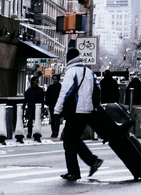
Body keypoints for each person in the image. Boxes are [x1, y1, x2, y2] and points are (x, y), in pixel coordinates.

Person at [54, 46, 103, 182]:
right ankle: (92, 161)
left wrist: (57, 111)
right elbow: (98, 90)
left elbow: (65, 94)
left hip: (75, 112)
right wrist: (94, 107)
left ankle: (75, 171)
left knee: (69, 141)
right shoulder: (89, 72)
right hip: (87, 112)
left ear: (69, 58)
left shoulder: (71, 72)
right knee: (73, 139)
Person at [45, 73, 62, 139]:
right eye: (53, 79)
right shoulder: (50, 87)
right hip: (52, 105)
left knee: (57, 119)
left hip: (58, 105)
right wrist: (48, 103)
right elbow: (47, 96)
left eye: (56, 79)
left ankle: (56, 132)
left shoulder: (60, 87)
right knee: (52, 119)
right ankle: (53, 131)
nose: (54, 81)